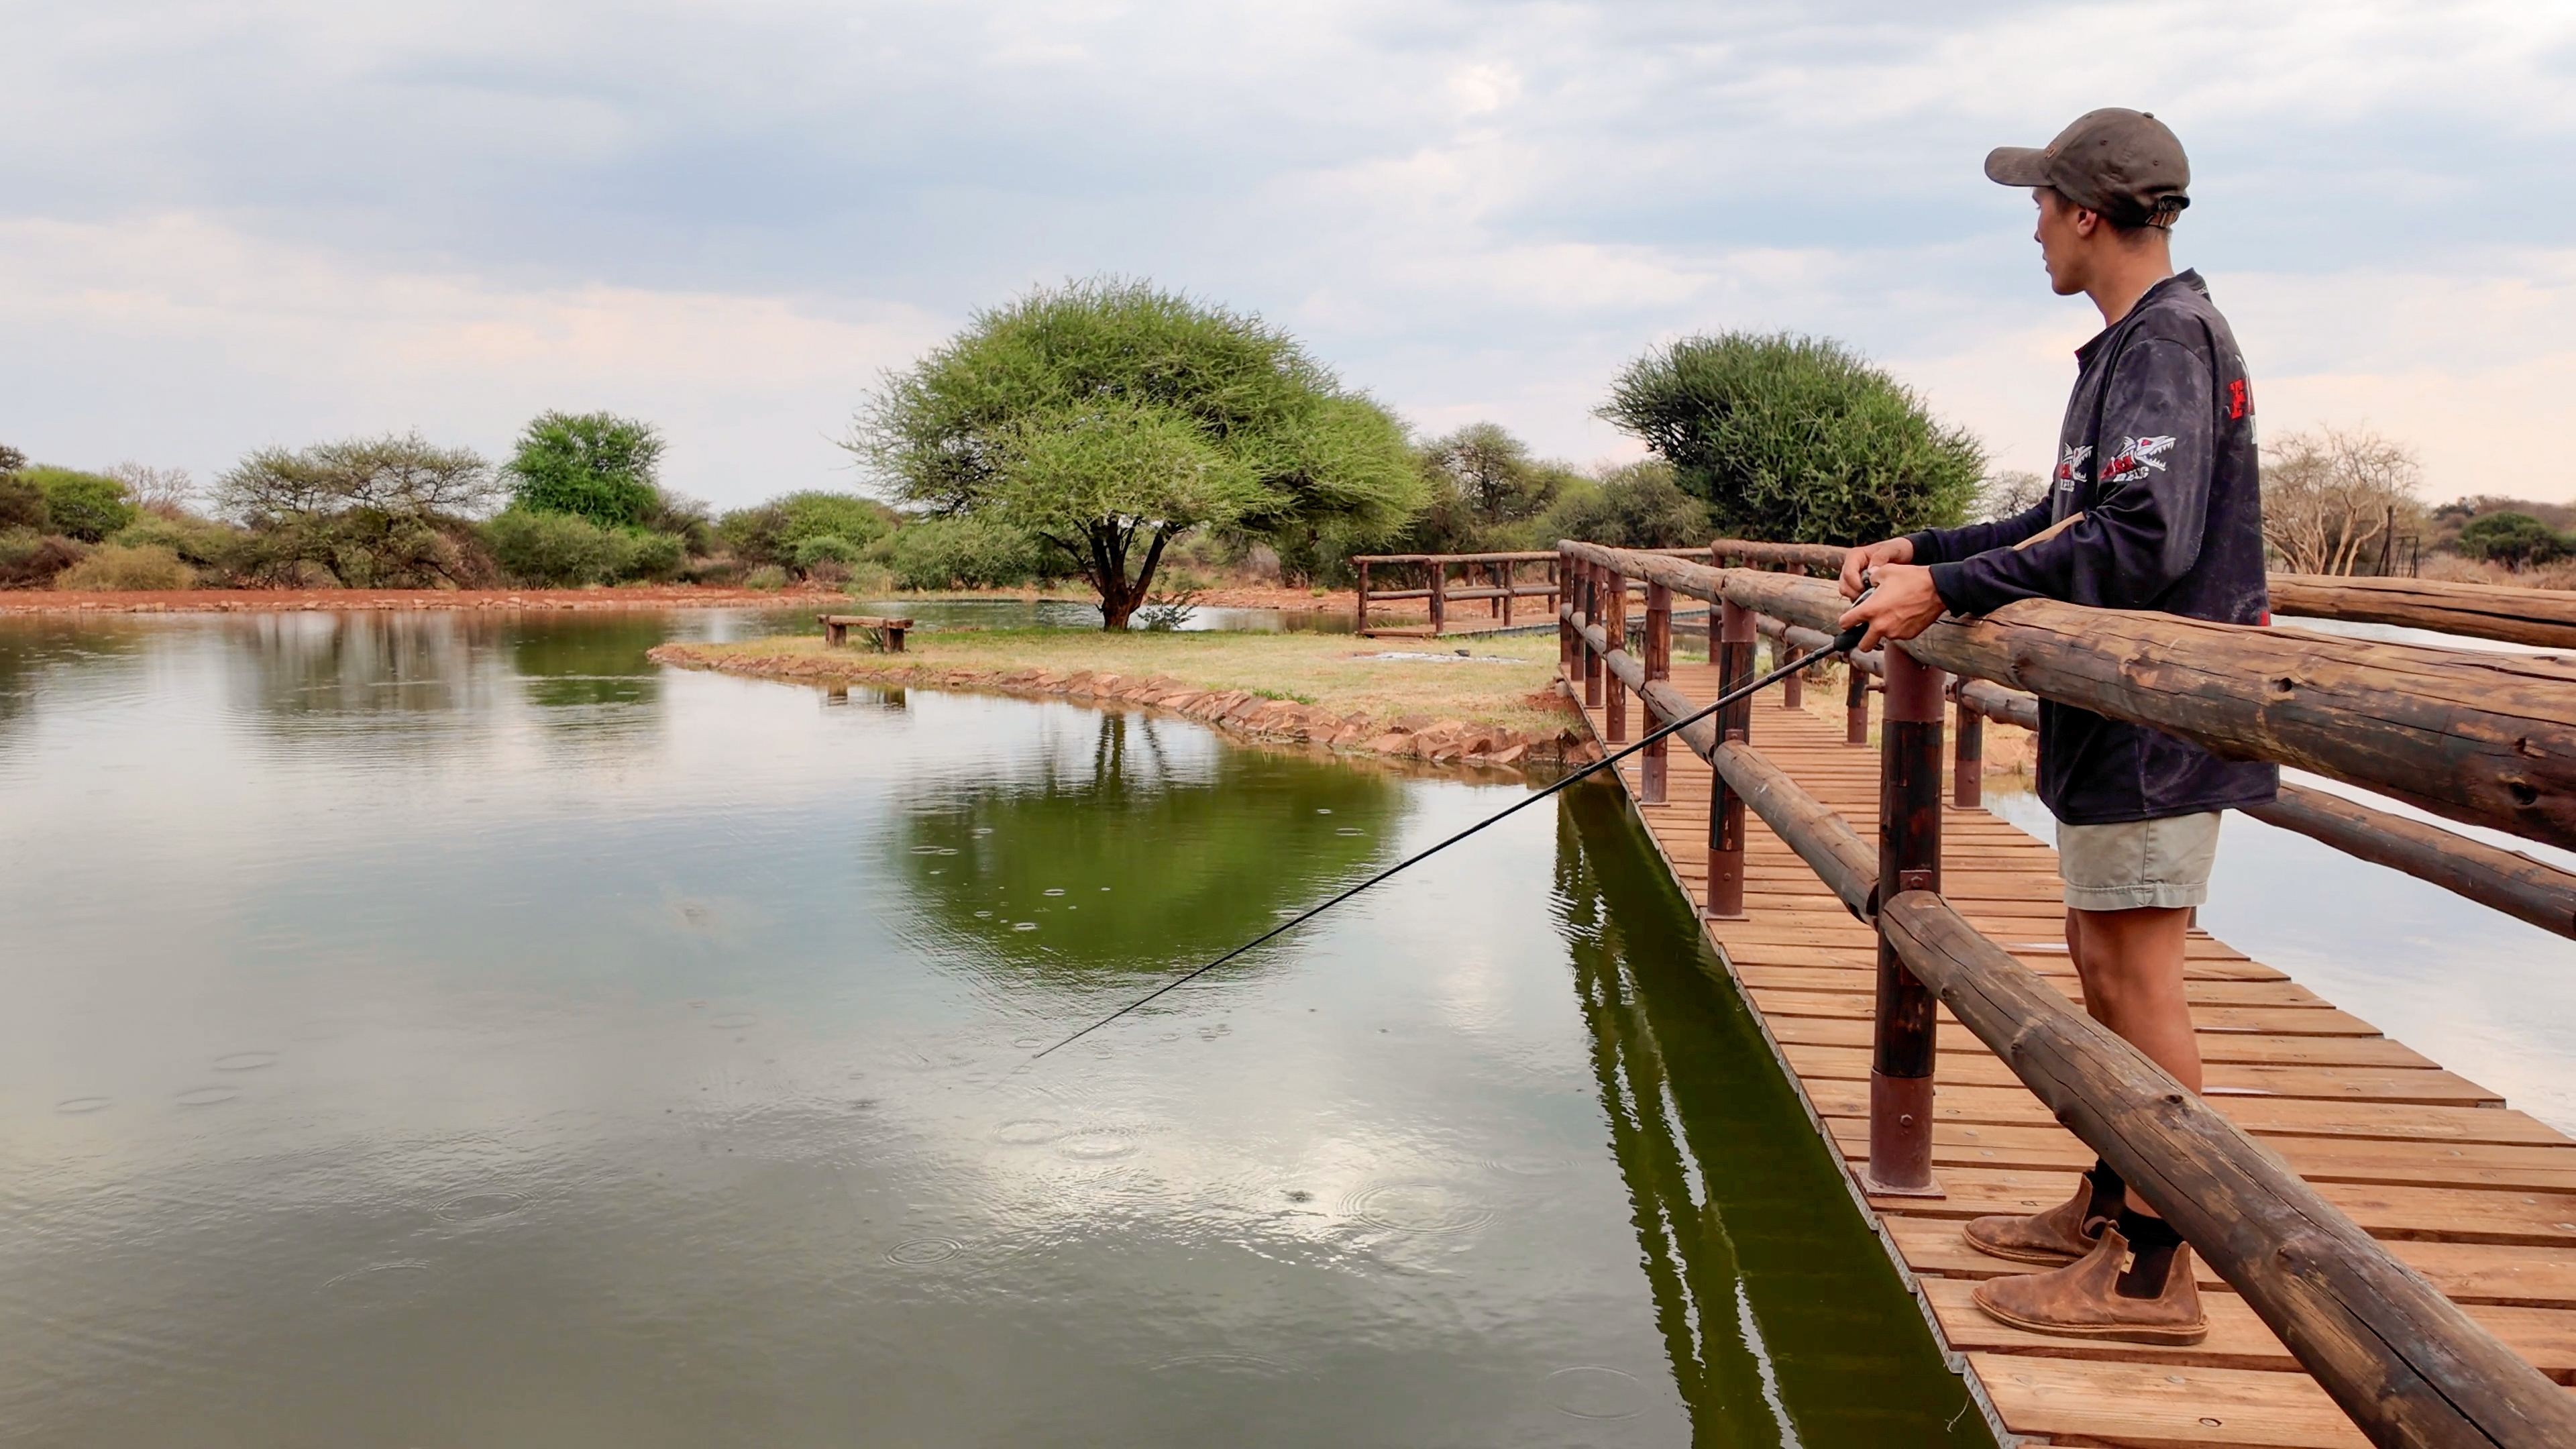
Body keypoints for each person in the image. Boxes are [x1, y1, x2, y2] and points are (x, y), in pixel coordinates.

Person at [1834, 107, 2275, 1345]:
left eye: (2041, 205)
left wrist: (1950, 591)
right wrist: (1925, 552)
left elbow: (2146, 539)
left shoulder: (2170, 339)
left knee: (2138, 981)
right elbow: (2061, 514)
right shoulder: (2133, 342)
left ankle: (2150, 1268)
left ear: (2087, 213)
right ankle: (2111, 1196)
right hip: (2115, 719)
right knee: (2101, 967)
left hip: (2158, 724)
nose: (2032, 228)